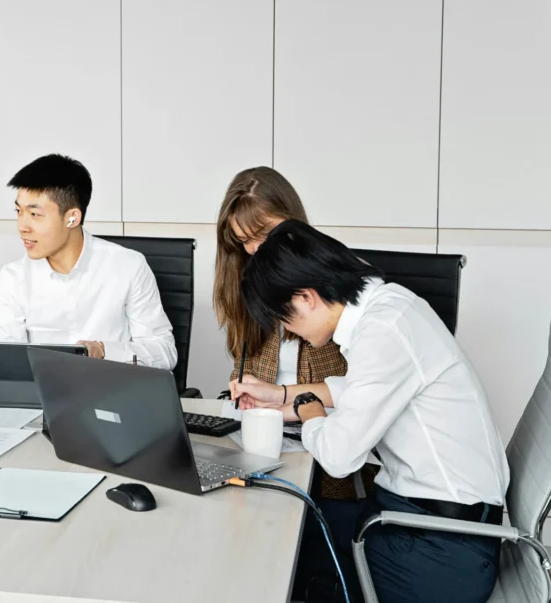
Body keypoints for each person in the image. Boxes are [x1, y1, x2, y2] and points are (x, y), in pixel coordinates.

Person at [231, 220, 508, 603]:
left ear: (307, 297)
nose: (287, 330)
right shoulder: (389, 308)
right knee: (279, 521)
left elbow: (339, 457)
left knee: (277, 559)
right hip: (416, 519)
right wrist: (280, 395)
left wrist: (307, 409)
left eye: (283, 317)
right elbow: (360, 391)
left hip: (442, 550)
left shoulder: (384, 330)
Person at [214, 166, 362, 500]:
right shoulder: (241, 276)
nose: (253, 250)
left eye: (262, 235)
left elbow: (353, 393)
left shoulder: (333, 284)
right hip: (268, 430)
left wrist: (296, 404)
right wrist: (255, 393)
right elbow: (245, 363)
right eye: (242, 241)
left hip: (325, 440)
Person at [0, 154, 176, 370]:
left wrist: (104, 351)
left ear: (72, 218)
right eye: (19, 211)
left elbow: (164, 352)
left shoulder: (128, 267)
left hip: (113, 396)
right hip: (41, 400)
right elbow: (2, 366)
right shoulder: (13, 278)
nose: (22, 226)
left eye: (34, 214)